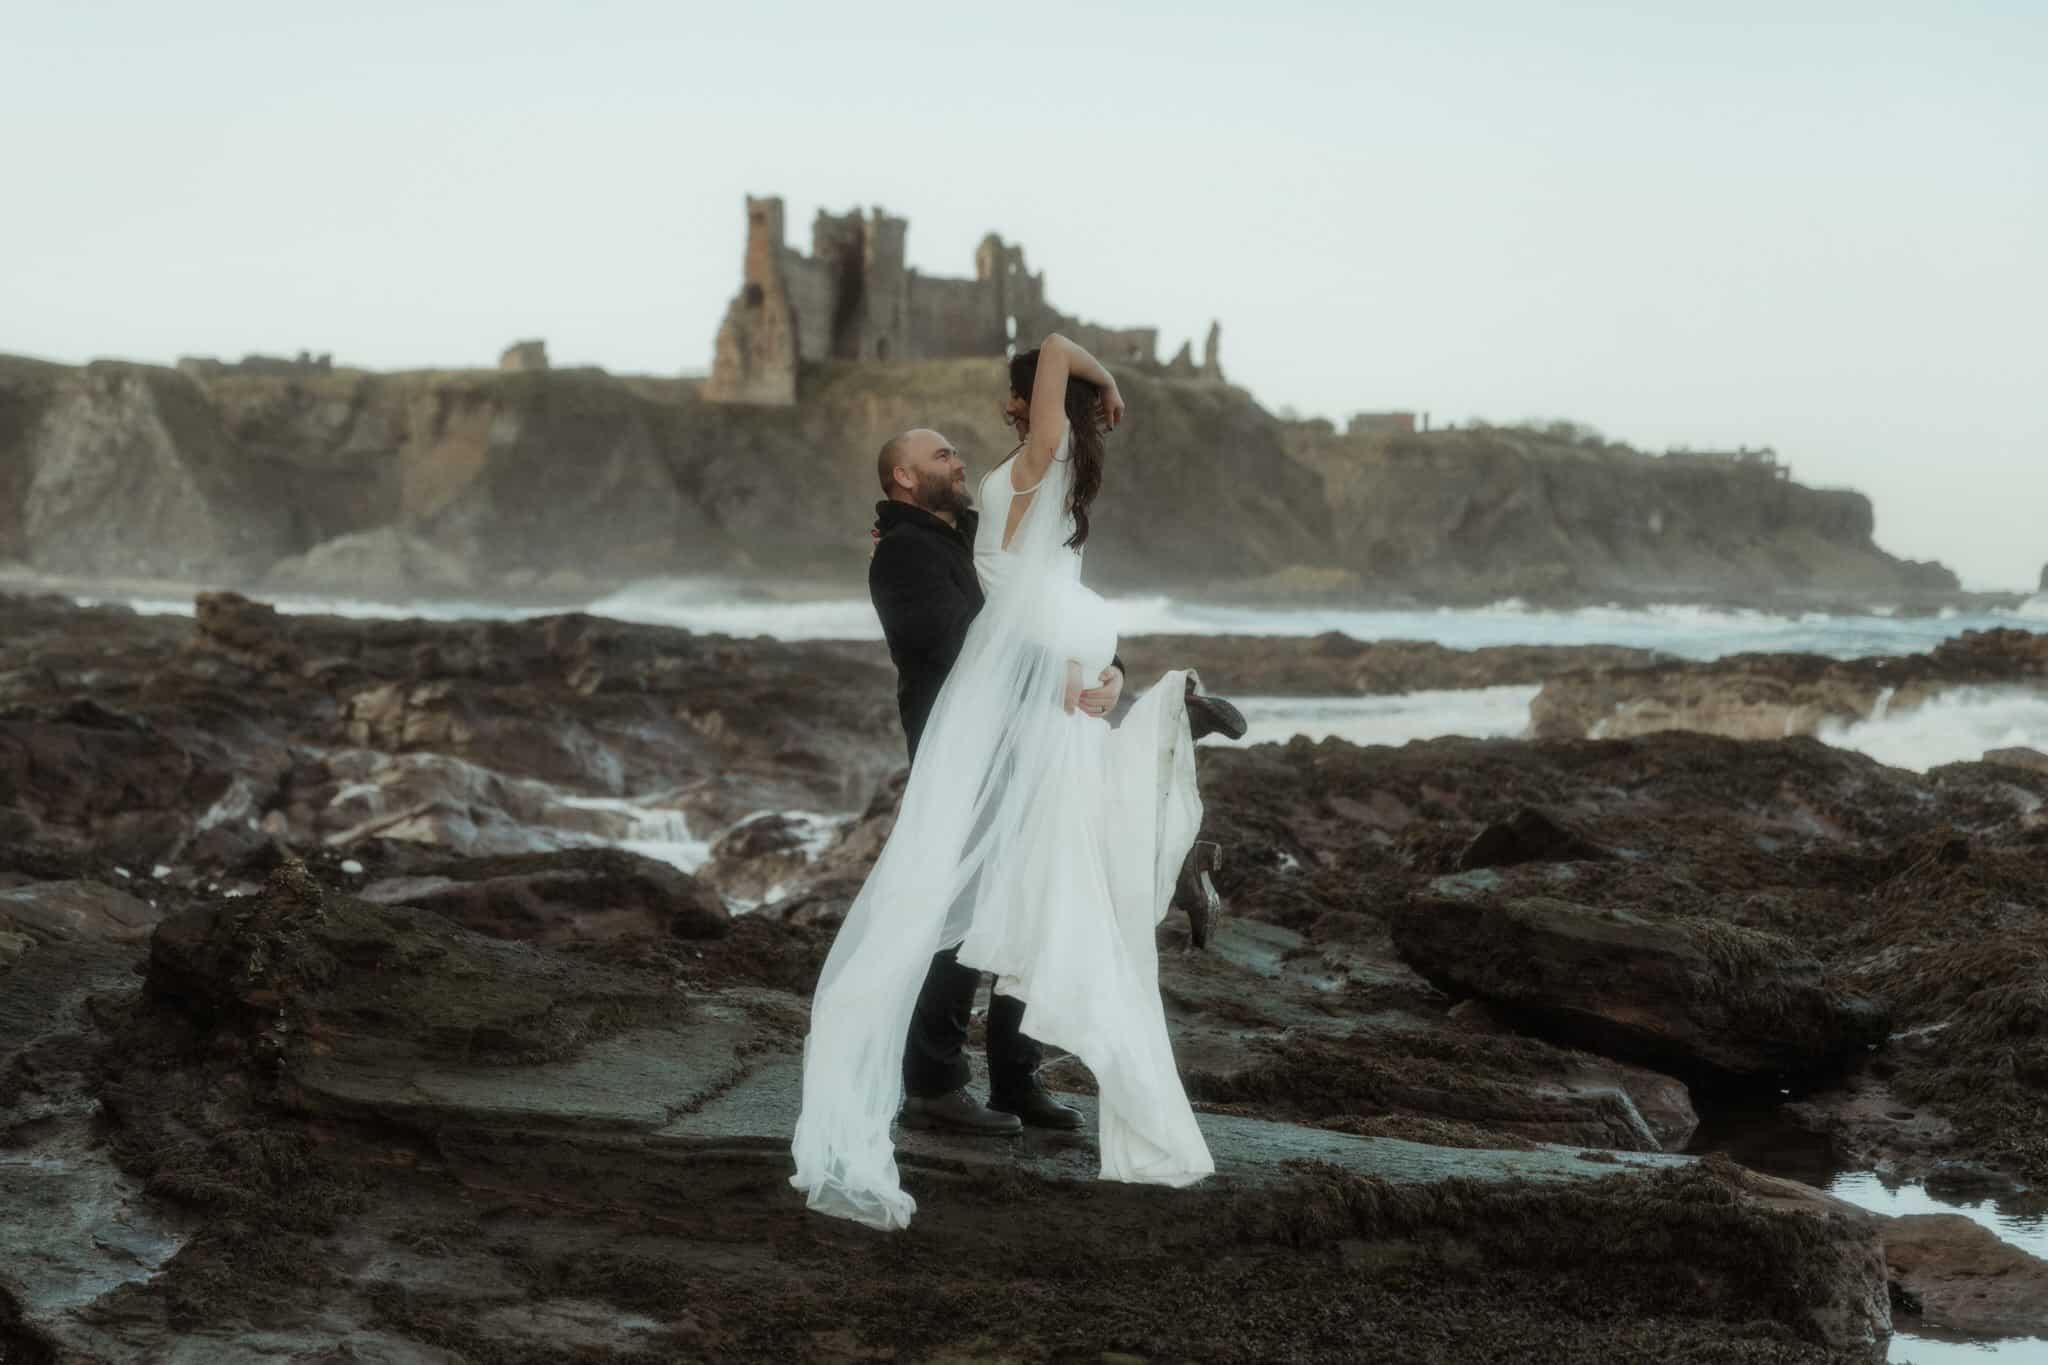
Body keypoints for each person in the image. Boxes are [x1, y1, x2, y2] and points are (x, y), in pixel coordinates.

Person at [791, 333, 1244, 1231]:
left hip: (1024, 726)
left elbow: (1030, 600)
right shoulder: (905, 552)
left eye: (956, 451)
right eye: (938, 456)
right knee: (962, 907)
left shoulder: (955, 526)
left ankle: (1013, 1074)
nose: (956, 459)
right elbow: (964, 642)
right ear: (903, 479)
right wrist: (1100, 377)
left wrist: (1101, 669)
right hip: (965, 740)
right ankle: (933, 1079)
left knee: (1024, 893)